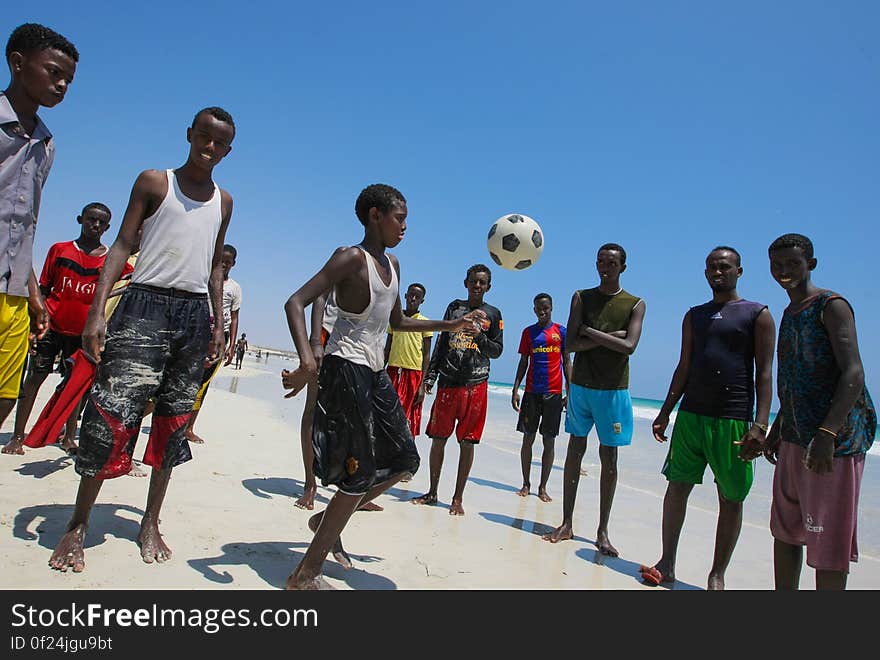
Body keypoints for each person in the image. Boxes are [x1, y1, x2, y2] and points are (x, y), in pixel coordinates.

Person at [47, 106, 235, 573]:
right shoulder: (155, 182)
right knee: (112, 412)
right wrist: (96, 312)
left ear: (228, 150)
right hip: (144, 305)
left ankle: (150, 520)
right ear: (189, 134)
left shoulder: (224, 201)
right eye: (204, 137)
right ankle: (77, 524)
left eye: (219, 143)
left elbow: (214, 265)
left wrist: (216, 324)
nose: (209, 148)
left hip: (193, 314)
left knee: (172, 421)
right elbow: (123, 244)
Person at [281, 183, 484, 589]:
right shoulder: (350, 258)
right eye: (400, 218)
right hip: (345, 368)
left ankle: (327, 519)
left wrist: (450, 325)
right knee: (358, 476)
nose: (405, 227)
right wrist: (308, 358)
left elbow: (398, 323)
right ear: (376, 215)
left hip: (375, 373)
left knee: (406, 460)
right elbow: (296, 302)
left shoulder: (392, 265)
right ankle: (305, 574)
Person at [641, 246, 775, 589]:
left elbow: (764, 374)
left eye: (725, 267)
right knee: (677, 487)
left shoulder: (757, 314)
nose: (718, 272)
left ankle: (717, 575)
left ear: (739, 271)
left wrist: (760, 425)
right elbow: (684, 365)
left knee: (731, 497)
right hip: (691, 416)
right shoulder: (695, 315)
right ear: (705, 273)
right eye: (713, 267)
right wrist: (665, 411)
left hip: (734, 419)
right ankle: (667, 562)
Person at [757, 233, 875, 590]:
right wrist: (778, 428)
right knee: (786, 531)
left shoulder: (831, 305)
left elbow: (853, 372)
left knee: (828, 544)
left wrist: (827, 433)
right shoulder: (790, 311)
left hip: (833, 444)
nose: (784, 271)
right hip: (795, 436)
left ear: (811, 264)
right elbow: (796, 379)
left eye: (793, 263)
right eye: (777, 265)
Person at [0, 24, 78, 444]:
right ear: (17, 63)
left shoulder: (46, 144)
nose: (62, 84)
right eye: (53, 72)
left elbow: (23, 223)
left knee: (6, 393)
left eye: (68, 80)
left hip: (12, 289)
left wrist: (33, 290)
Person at [543, 243, 645, 557]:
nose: (605, 267)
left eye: (611, 263)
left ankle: (602, 531)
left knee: (609, 459)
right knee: (574, 450)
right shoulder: (581, 297)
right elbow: (570, 345)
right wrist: (612, 336)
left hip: (614, 389)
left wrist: (594, 333)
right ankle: (567, 521)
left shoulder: (635, 303)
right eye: (601, 261)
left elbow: (629, 347)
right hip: (582, 387)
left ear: (623, 267)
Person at [4, 203, 123, 456]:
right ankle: (17, 436)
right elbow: (44, 288)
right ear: (80, 219)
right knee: (34, 378)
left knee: (75, 385)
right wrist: (35, 322)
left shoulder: (111, 259)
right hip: (53, 326)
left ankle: (69, 437)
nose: (96, 226)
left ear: (108, 227)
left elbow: (129, 281)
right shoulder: (60, 250)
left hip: (84, 333)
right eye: (91, 220)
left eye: (102, 223)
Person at [411, 264, 503, 516]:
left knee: (467, 442)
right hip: (448, 383)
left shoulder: (493, 314)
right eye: (474, 281)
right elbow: (441, 341)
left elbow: (498, 350)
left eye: (482, 282)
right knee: (438, 439)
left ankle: (457, 498)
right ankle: (432, 492)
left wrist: (479, 337)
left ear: (488, 287)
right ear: (466, 283)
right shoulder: (455, 308)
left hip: (476, 386)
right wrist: (430, 377)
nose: (477, 286)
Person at [511, 292, 571, 502]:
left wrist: (569, 391)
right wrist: (515, 388)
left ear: (552, 307)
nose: (542, 311)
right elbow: (523, 362)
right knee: (528, 439)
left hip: (553, 394)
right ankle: (526, 483)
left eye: (545, 307)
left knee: (549, 441)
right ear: (534, 309)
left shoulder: (561, 332)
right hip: (531, 393)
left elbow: (567, 362)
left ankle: (543, 487)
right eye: (538, 308)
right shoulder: (529, 333)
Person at [184, 244, 242, 444]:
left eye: (228, 262)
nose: (224, 264)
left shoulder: (234, 288)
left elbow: (234, 318)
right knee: (185, 378)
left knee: (203, 384)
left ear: (233, 263)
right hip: (197, 333)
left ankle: (189, 427)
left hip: (219, 338)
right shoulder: (203, 279)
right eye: (221, 260)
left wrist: (231, 345)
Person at [384, 282, 433, 440]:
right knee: (387, 412)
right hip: (392, 371)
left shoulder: (424, 322)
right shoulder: (396, 319)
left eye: (417, 297)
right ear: (405, 296)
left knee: (408, 418)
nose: (413, 299)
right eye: (410, 295)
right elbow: (387, 347)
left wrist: (422, 385)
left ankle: (406, 455)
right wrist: (378, 371)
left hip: (413, 375)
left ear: (422, 301)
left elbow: (426, 355)